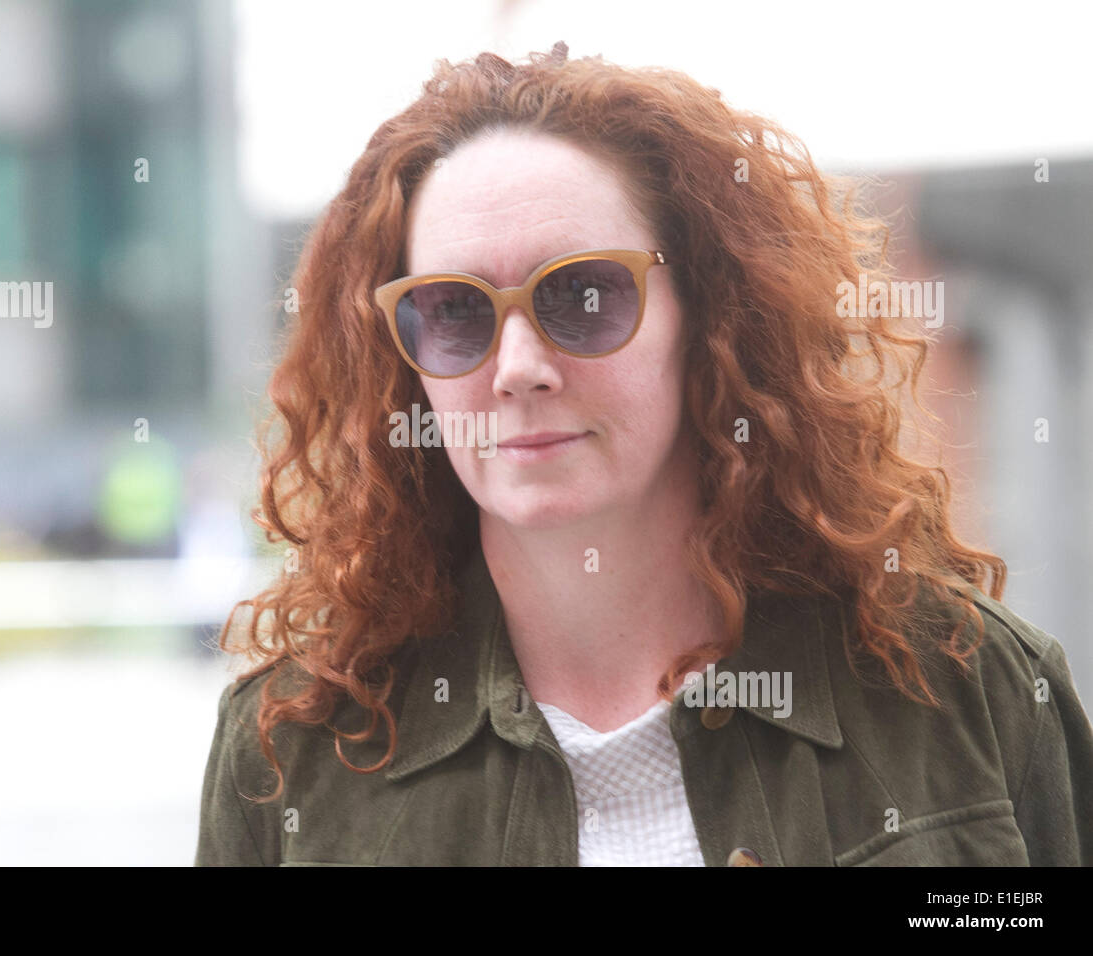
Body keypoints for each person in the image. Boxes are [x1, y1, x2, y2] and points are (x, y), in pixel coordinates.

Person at [195, 43, 1093, 866]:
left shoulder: (968, 693)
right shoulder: (290, 759)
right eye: (454, 311)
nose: (518, 370)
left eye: (583, 295)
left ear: (707, 321)